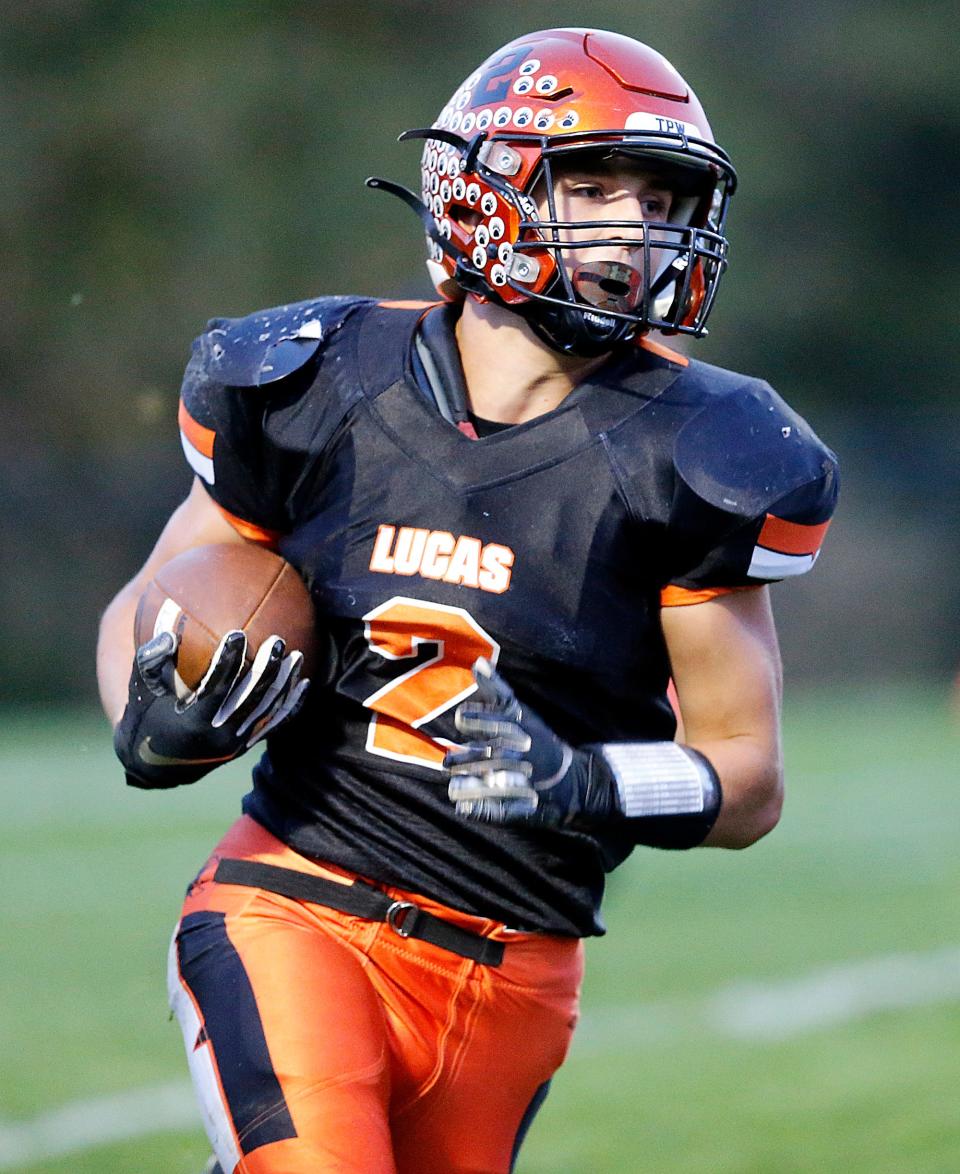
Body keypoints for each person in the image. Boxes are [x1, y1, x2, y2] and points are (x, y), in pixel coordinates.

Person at [97, 27, 838, 1174]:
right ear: (482, 187)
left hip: (518, 975)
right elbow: (155, 597)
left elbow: (748, 777)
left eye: (660, 197)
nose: (634, 227)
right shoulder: (312, 378)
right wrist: (139, 714)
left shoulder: (697, 446)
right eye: (592, 186)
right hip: (295, 905)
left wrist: (585, 779)